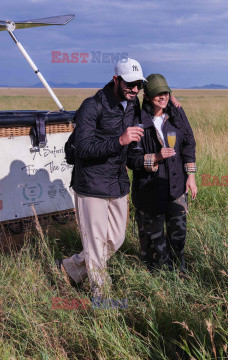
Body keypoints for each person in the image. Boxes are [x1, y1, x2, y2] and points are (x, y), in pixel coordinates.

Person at [56, 58, 146, 297]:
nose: (135, 90)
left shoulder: (133, 104)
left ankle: (69, 268)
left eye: (139, 85)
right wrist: (120, 141)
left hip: (117, 183)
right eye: (130, 84)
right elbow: (83, 149)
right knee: (96, 246)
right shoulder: (91, 106)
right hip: (91, 184)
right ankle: (101, 297)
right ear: (116, 79)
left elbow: (160, 103)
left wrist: (172, 102)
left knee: (115, 239)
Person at [127, 74, 197, 274]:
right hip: (149, 193)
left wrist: (190, 175)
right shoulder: (138, 120)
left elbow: (189, 144)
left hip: (175, 188)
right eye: (157, 93)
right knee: (153, 247)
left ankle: (179, 278)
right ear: (148, 96)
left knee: (178, 240)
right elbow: (132, 158)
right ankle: (157, 285)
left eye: (165, 92)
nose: (162, 97)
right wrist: (156, 157)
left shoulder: (177, 115)